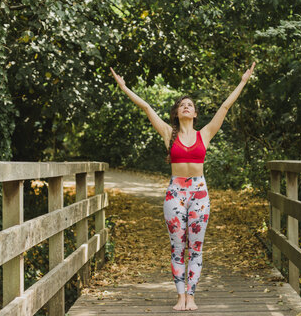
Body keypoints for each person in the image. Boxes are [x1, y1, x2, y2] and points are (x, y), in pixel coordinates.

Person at [110, 62, 256, 311]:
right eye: (181, 105)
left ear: (195, 113)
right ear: (177, 113)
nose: (186, 106)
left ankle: (192, 295)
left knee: (196, 247)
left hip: (199, 192)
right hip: (175, 193)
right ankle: (180, 296)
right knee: (178, 246)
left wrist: (242, 81)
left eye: (190, 105)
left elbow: (225, 106)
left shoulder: (206, 134)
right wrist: (124, 87)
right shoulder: (168, 133)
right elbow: (146, 106)